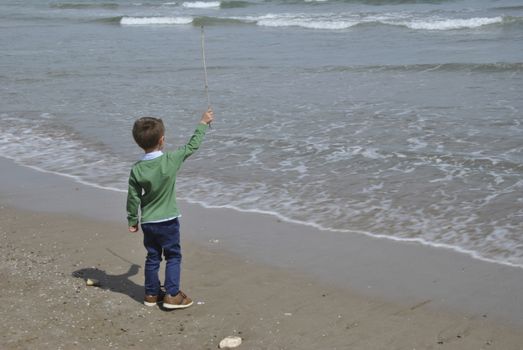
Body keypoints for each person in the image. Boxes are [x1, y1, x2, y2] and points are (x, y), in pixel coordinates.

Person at [126, 108, 214, 308]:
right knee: (173, 255)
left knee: (153, 256)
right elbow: (192, 146)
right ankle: (172, 294)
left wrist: (132, 219)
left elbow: (132, 197)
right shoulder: (170, 159)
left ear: (138, 143)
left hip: (148, 222)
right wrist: (203, 123)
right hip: (168, 221)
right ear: (162, 140)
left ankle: (151, 294)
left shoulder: (137, 169)